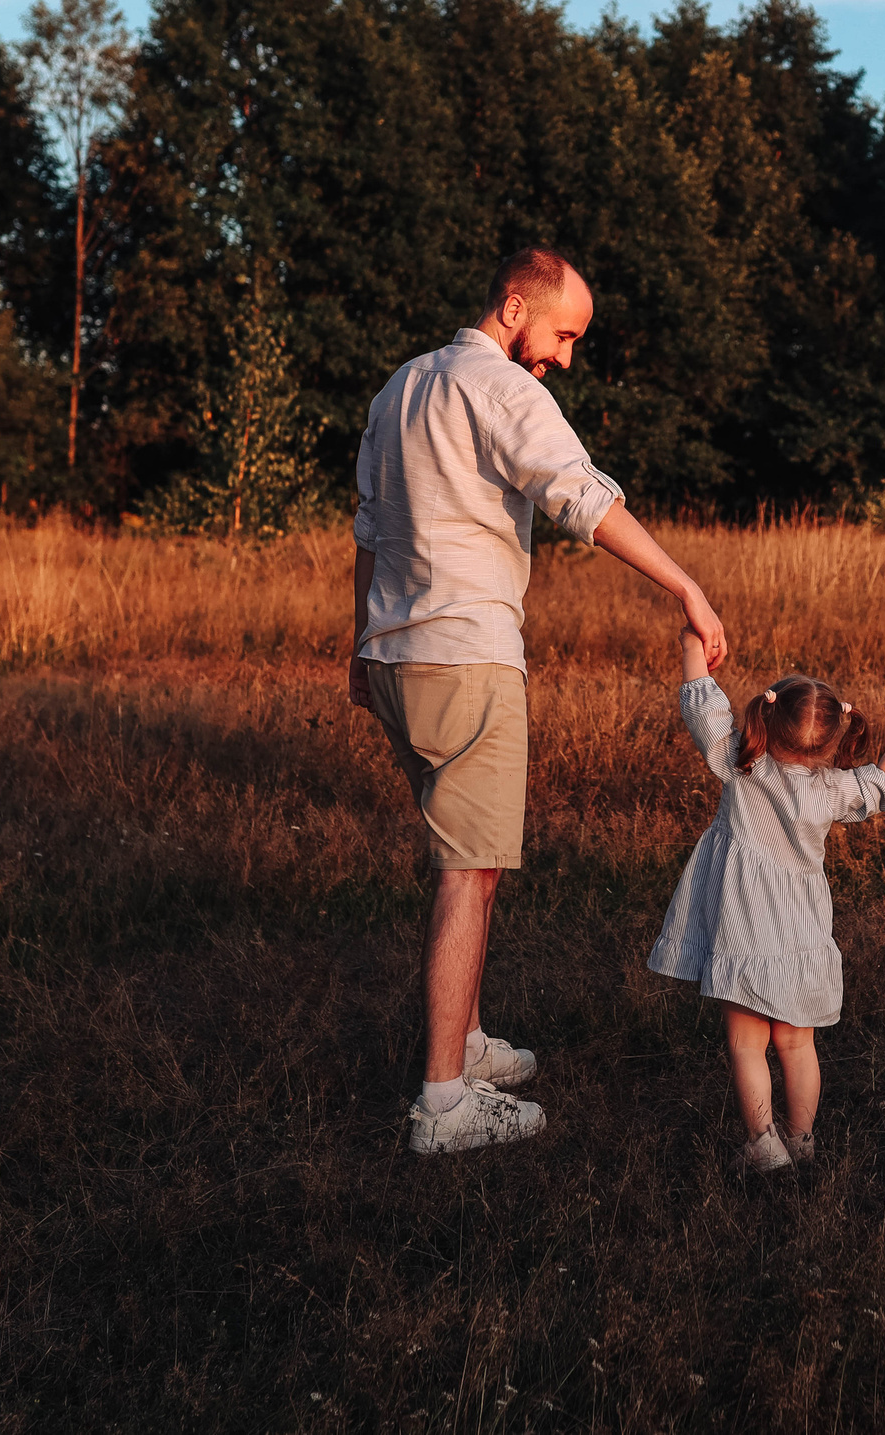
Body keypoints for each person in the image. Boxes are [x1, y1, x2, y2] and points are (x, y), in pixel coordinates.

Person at [353, 246, 728, 1155]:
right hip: (467, 657)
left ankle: (467, 1042)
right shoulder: (507, 391)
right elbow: (580, 498)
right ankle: (444, 1104)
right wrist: (684, 586)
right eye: (563, 334)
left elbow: (367, 524)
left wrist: (355, 650)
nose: (564, 356)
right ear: (516, 307)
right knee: (469, 873)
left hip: (396, 655)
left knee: (459, 854)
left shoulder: (400, 387)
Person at [648, 632, 885, 1173]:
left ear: (765, 720)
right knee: (798, 1048)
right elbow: (882, 784)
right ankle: (801, 1141)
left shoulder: (742, 765)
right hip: (802, 936)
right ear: (831, 742)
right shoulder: (832, 790)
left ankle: (762, 1146)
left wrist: (691, 645)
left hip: (743, 930)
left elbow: (703, 706)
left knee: (746, 1044)